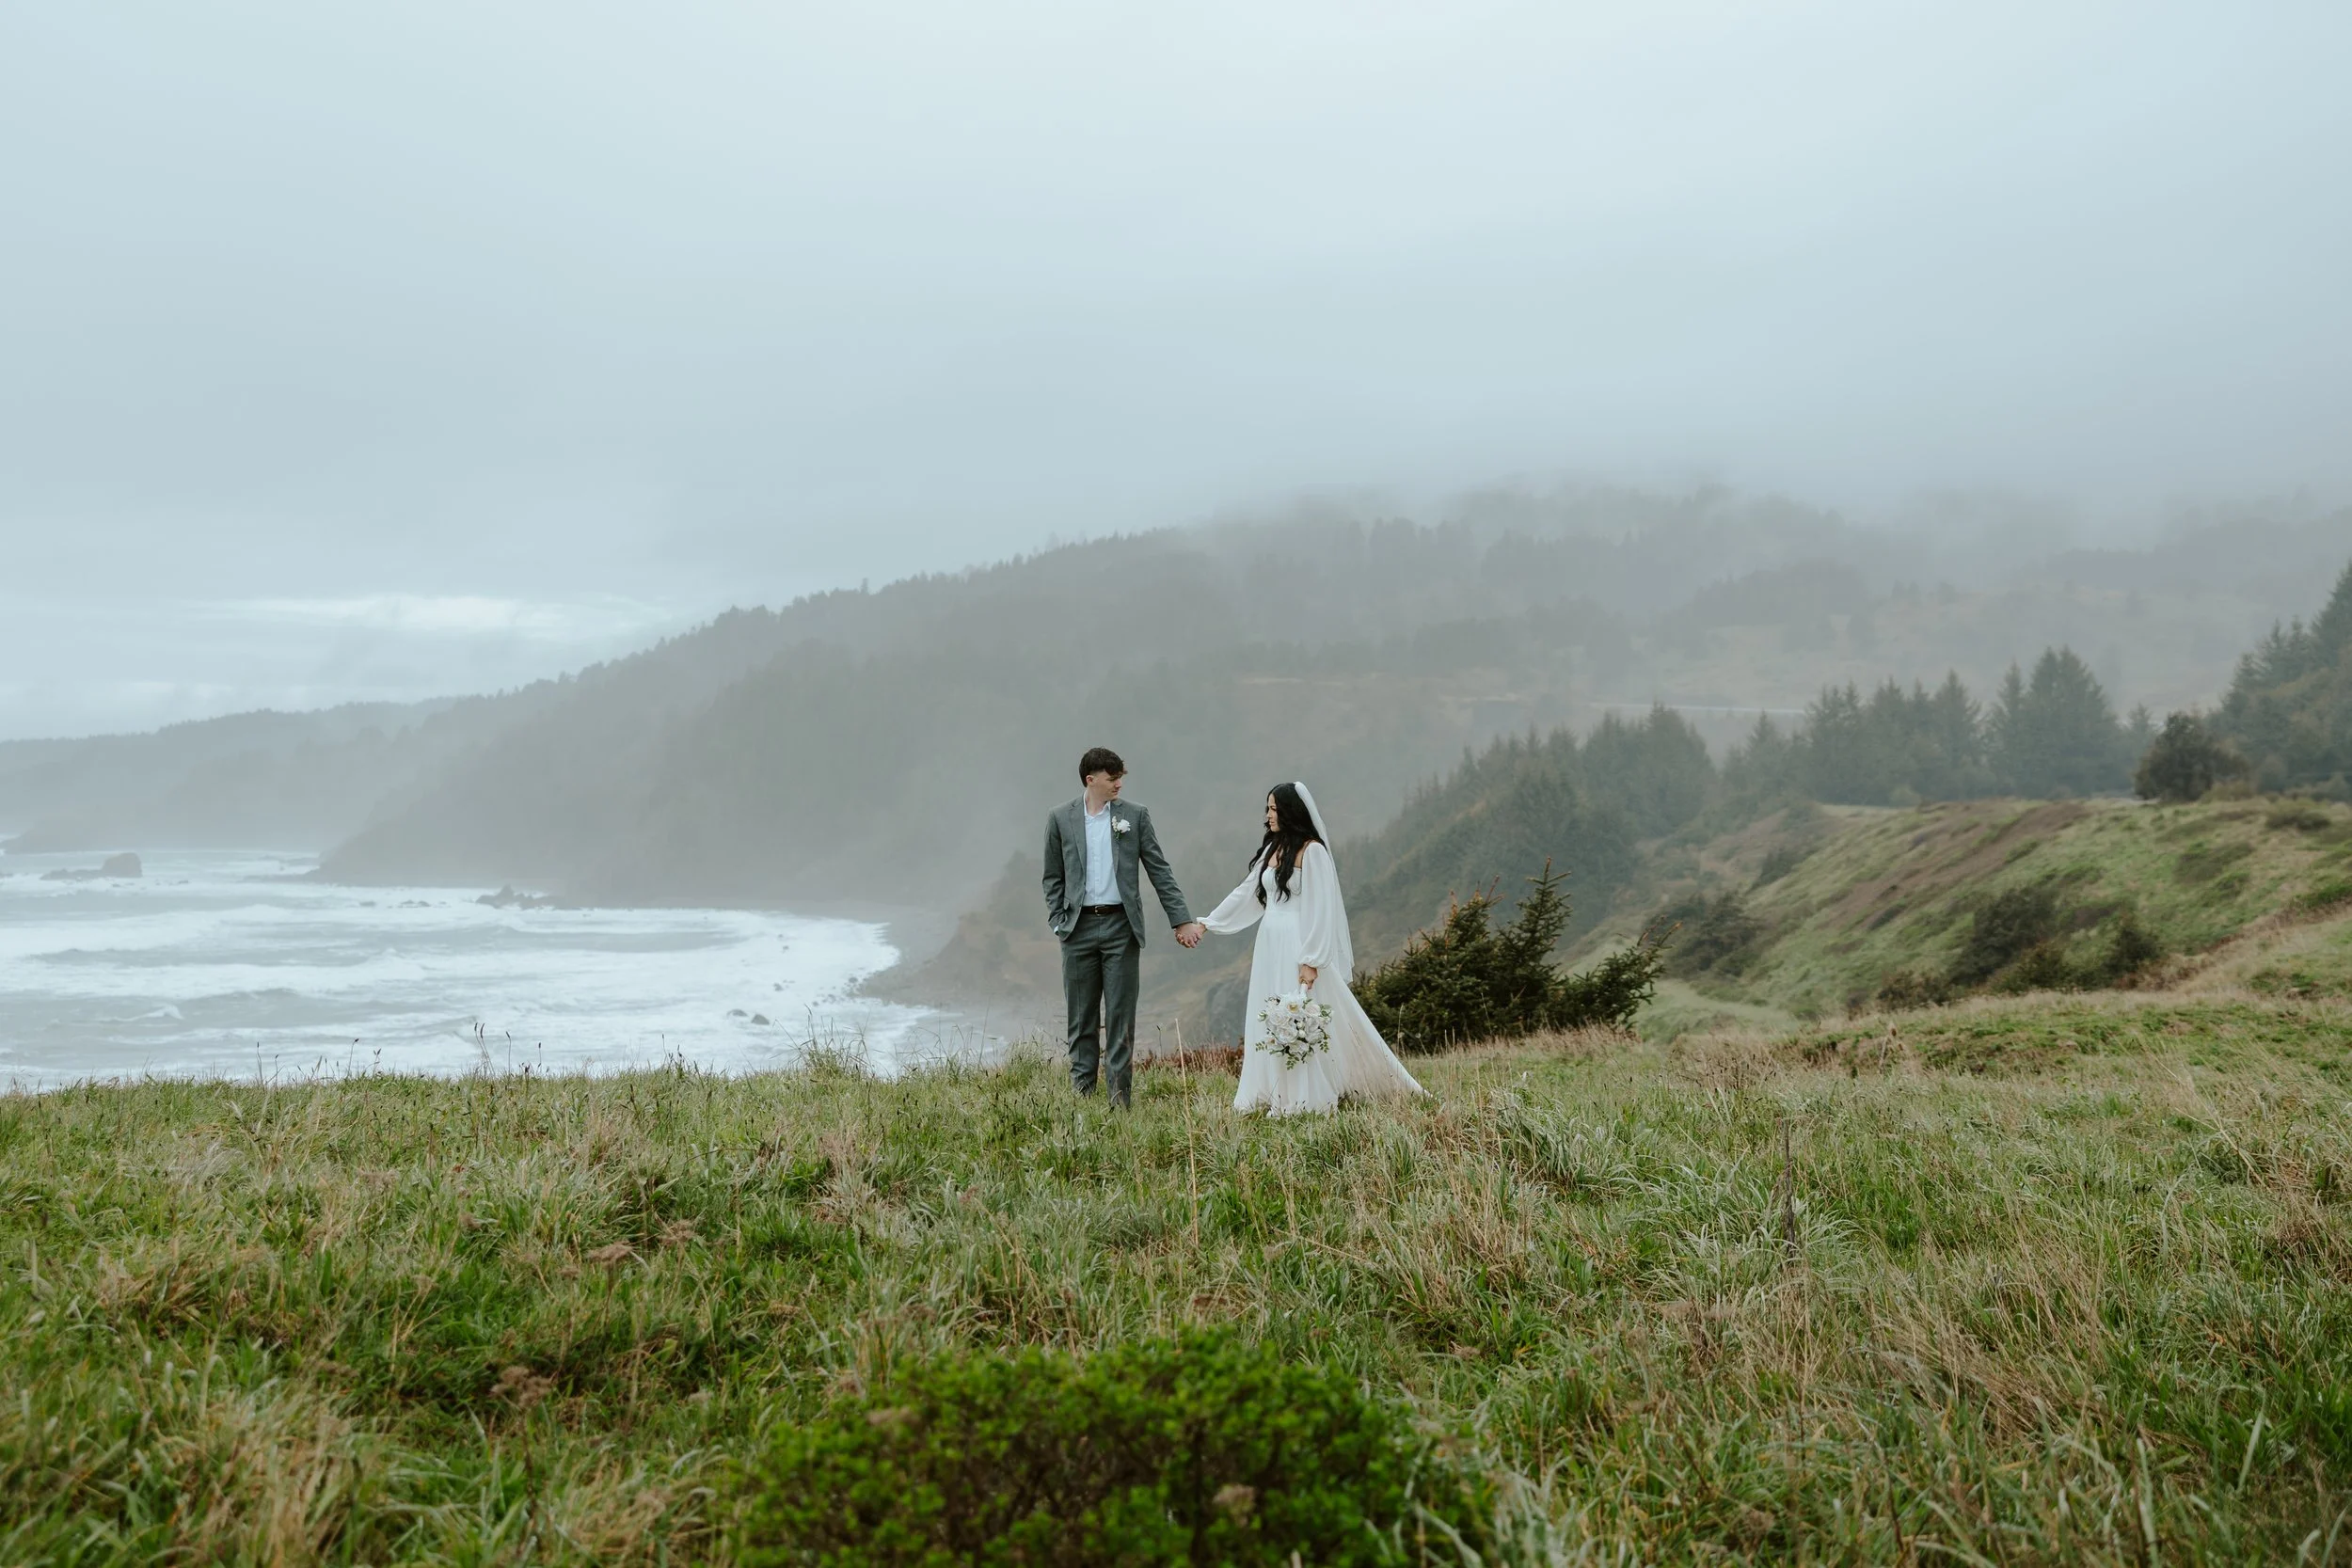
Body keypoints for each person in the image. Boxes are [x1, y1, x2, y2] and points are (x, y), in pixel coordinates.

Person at [1198, 782, 1424, 1116]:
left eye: (1274, 809)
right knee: (1269, 1013)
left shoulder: (1313, 851)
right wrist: (1209, 922)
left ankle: (1307, 1093)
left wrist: (1312, 960)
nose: (1268, 815)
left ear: (1291, 811)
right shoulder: (1272, 849)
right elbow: (1246, 893)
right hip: (1269, 943)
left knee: (1302, 1017)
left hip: (1297, 941)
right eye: (1267, 808)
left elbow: (1322, 908)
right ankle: (1270, 1090)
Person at [1041, 747, 1202, 1107]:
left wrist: (1182, 920)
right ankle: (1082, 1102)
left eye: (1120, 778)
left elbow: (1160, 871)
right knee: (1081, 1020)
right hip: (1076, 929)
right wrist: (1057, 920)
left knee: (1119, 1020)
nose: (1119, 785)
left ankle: (1119, 1105)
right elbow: (1053, 876)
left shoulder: (1136, 816)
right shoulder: (1060, 818)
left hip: (1121, 929)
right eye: (1112, 779)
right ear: (1091, 780)